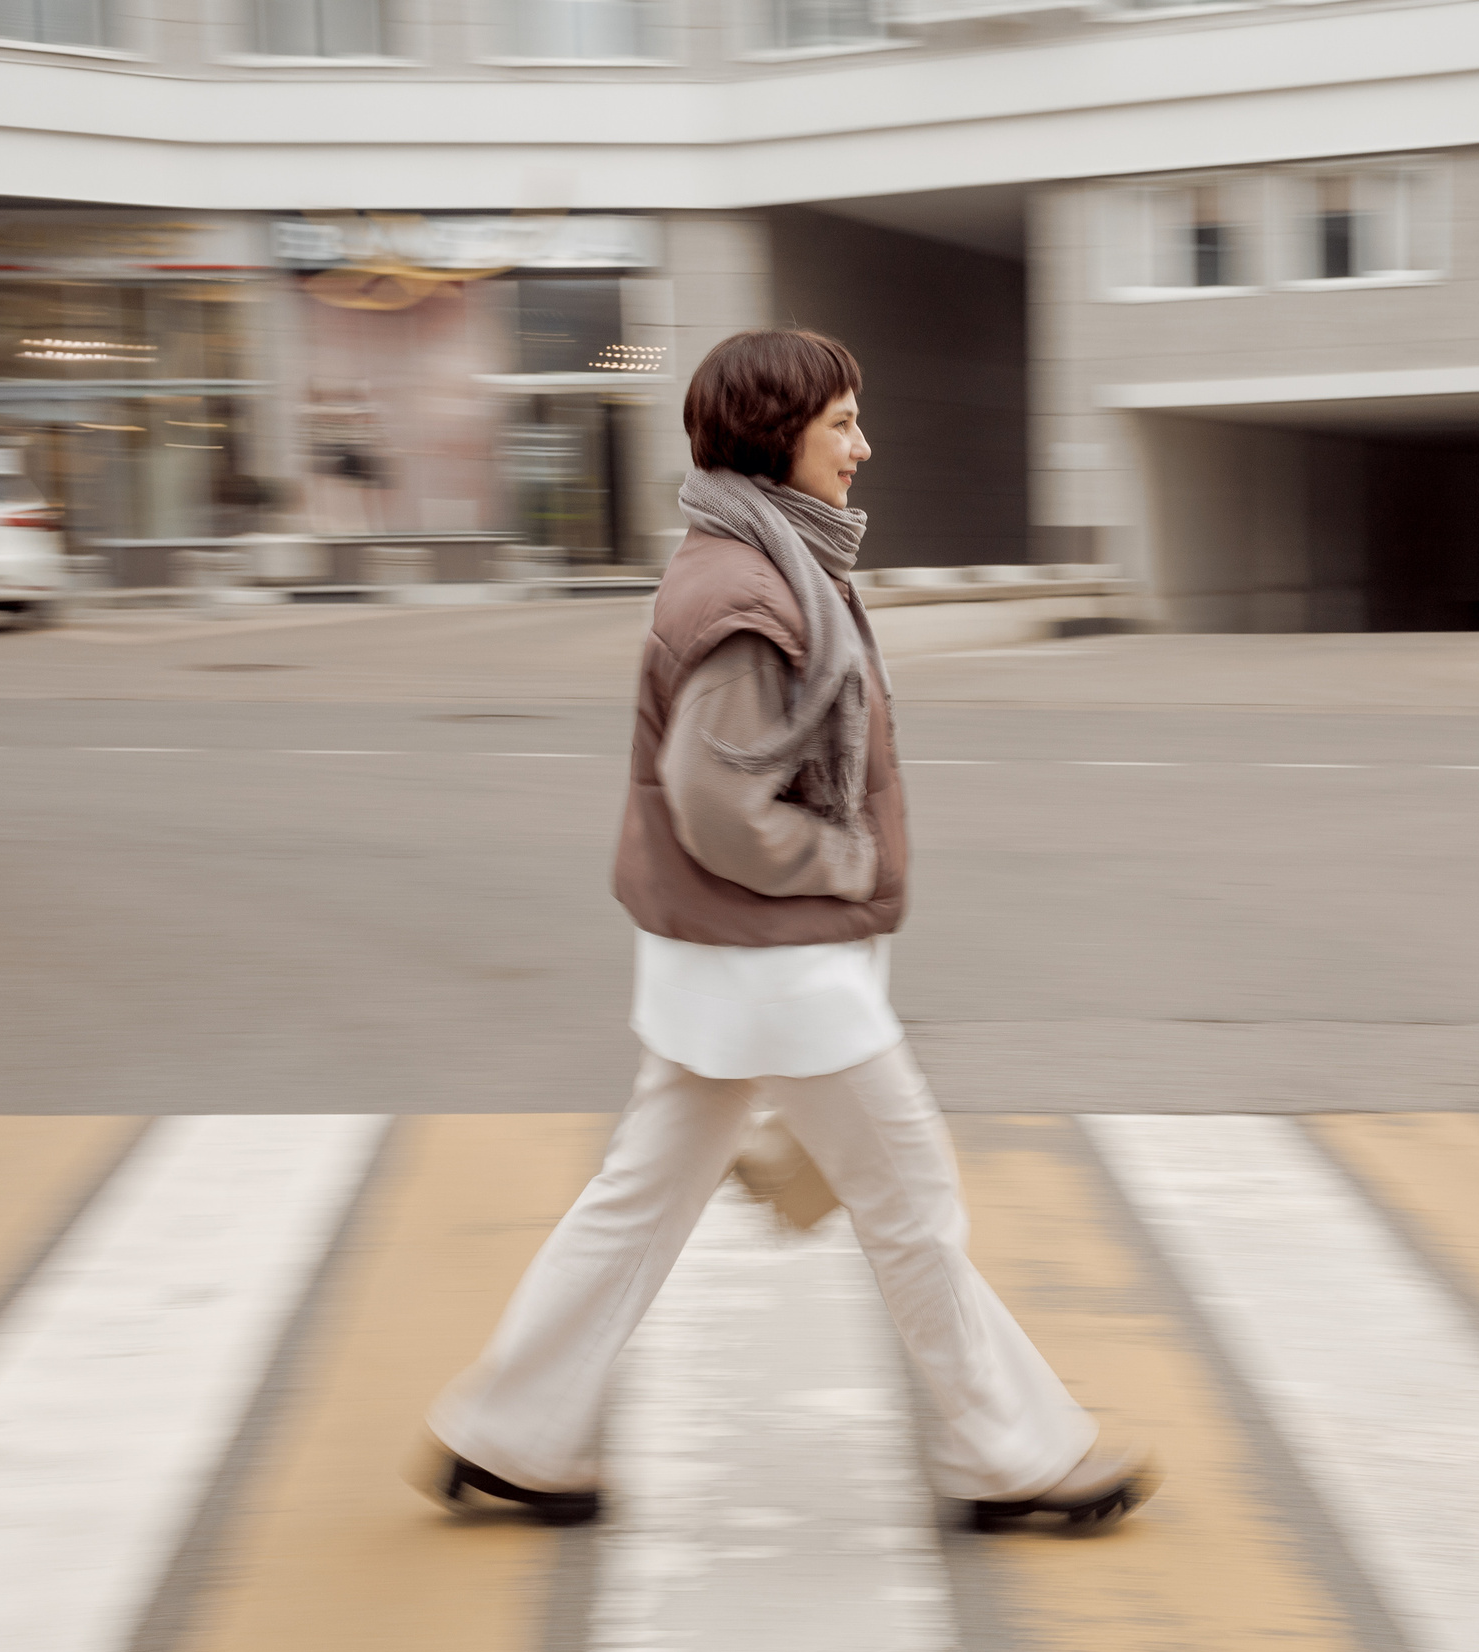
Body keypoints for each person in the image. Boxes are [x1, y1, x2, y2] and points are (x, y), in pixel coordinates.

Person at [418, 328, 1155, 1532]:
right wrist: (846, 857)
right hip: (779, 970)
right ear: (776, 438)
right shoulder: (752, 595)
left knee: (638, 1203)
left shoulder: (754, 558)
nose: (864, 446)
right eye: (841, 425)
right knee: (910, 1202)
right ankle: (1006, 1453)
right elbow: (716, 803)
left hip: (730, 966)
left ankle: (512, 1431)